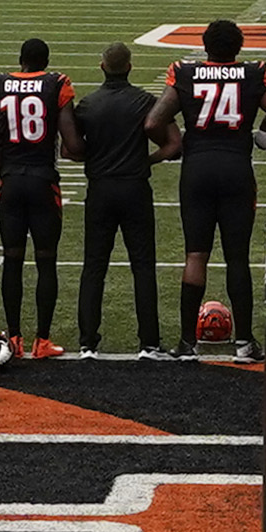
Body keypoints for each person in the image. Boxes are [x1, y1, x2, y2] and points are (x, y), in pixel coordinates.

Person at [169, 23, 266, 355]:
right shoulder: (253, 73)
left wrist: (173, 145)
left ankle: (187, 342)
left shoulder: (185, 73)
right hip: (235, 167)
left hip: (197, 168)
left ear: (205, 47)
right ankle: (245, 341)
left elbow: (152, 120)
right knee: (237, 258)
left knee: (195, 255)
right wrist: (261, 131)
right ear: (238, 47)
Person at [70, 41, 165, 352]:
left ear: (102, 67)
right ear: (130, 67)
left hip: (100, 188)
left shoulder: (87, 104)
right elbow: (174, 144)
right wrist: (145, 159)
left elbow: (68, 148)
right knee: (143, 266)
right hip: (135, 187)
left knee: (94, 265)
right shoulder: (144, 101)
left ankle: (88, 343)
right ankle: (149, 343)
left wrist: (97, 156)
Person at [0, 39, 72, 341]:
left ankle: (13, 336)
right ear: (45, 62)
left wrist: (4, 162)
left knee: (12, 258)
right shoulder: (56, 84)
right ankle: (43, 340)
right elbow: (72, 144)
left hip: (10, 181)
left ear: (19, 59)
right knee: (46, 259)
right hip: (42, 182)